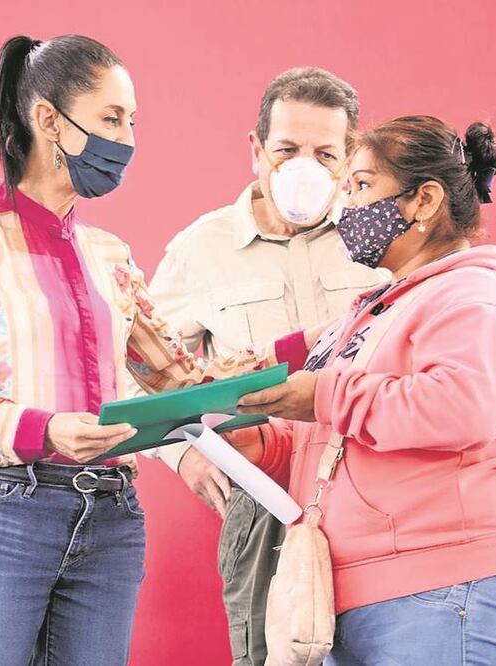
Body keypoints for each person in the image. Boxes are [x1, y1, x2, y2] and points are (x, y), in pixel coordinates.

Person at [0, 34, 311, 666]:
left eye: (131, 121)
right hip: (1, 509)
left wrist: (305, 348)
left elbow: (177, 379)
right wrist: (45, 429)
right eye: (111, 118)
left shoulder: (111, 255)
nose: (126, 138)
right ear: (49, 120)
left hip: (110, 514)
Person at [232, 116, 496, 664]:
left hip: (449, 589)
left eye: (361, 186)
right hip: (357, 596)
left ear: (424, 200)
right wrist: (262, 446)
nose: (346, 206)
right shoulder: (374, 309)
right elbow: (336, 434)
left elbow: (460, 409)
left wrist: (322, 395)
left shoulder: (476, 293)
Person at [135, 67, 388, 664]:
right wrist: (185, 455)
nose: (305, 168)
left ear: (351, 156)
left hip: (372, 489)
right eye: (287, 150)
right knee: (268, 653)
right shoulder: (202, 248)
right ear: (256, 150)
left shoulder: (382, 235)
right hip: (264, 495)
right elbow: (137, 369)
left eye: (326, 154)